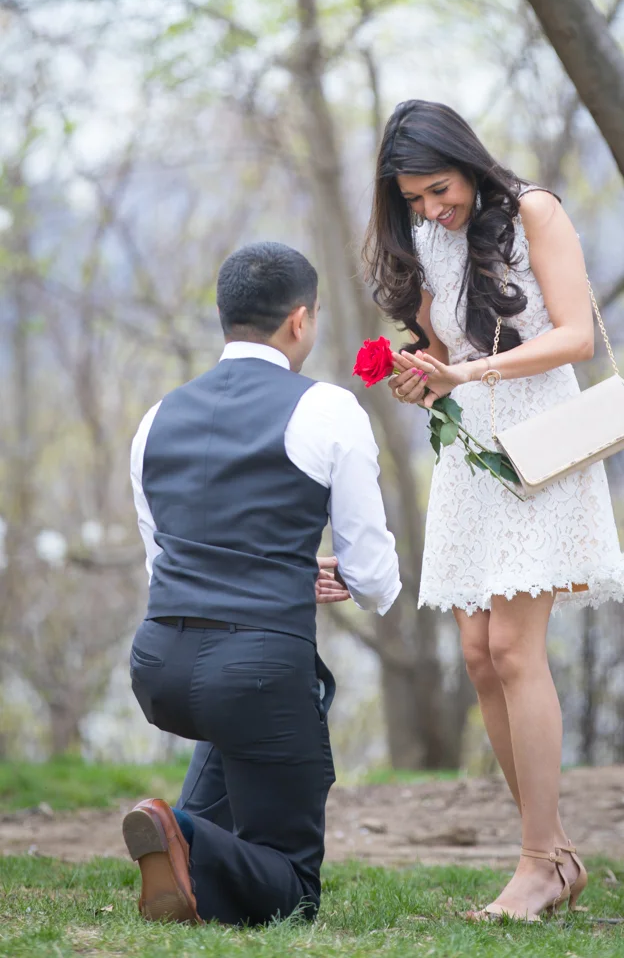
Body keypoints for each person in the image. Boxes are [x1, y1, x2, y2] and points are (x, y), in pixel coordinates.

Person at [363, 99, 624, 921]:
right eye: (413, 200)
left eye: (439, 190)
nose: (432, 210)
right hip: (471, 449)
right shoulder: (428, 241)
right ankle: (556, 854)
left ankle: (537, 863)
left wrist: (470, 374)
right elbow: (447, 350)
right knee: (479, 654)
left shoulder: (533, 211)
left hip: (540, 437)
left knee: (514, 648)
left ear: (467, 164)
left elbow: (576, 336)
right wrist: (423, 376)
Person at [125, 241, 400, 927]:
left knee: (235, 715)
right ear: (300, 320)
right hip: (254, 672)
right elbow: (372, 575)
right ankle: (185, 834)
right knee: (295, 887)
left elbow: (164, 563)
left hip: (159, 666)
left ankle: (178, 840)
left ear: (225, 316)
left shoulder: (155, 419)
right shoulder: (327, 409)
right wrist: (351, 582)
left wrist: (281, 572)